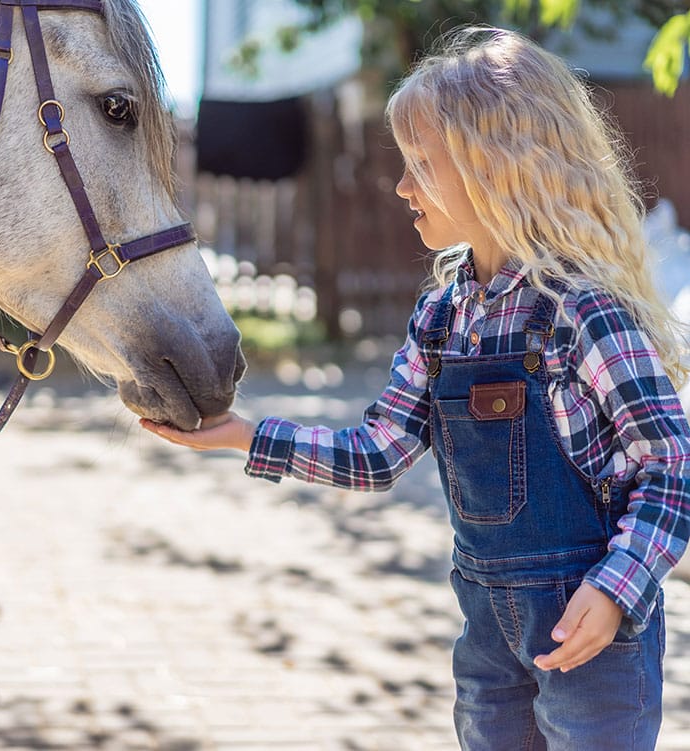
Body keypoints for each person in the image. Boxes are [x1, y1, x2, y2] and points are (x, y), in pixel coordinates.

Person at [141, 26, 690, 750]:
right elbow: (378, 451)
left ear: (496, 166)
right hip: (488, 646)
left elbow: (671, 465)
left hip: (592, 643)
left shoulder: (580, 306)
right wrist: (247, 436)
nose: (401, 186)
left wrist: (617, 588)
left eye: (421, 165)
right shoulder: (443, 315)